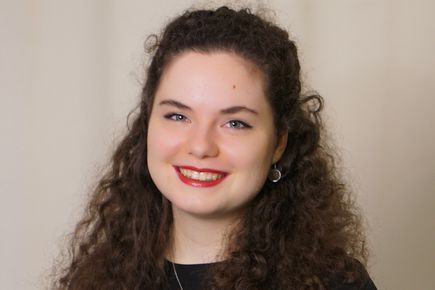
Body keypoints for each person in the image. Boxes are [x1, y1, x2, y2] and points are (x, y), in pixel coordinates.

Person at [53, 6, 377, 290]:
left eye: (235, 123)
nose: (200, 146)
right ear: (147, 127)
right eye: (178, 116)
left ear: (279, 143)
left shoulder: (336, 284)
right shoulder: (102, 278)